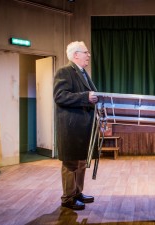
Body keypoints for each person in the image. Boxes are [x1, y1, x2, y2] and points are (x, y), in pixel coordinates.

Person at [53, 41, 98, 210]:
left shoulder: (83, 73)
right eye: (86, 52)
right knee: (70, 163)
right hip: (71, 127)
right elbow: (60, 96)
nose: (88, 55)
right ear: (75, 55)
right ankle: (68, 198)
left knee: (81, 162)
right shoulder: (64, 71)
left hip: (83, 126)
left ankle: (77, 192)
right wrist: (86, 97)